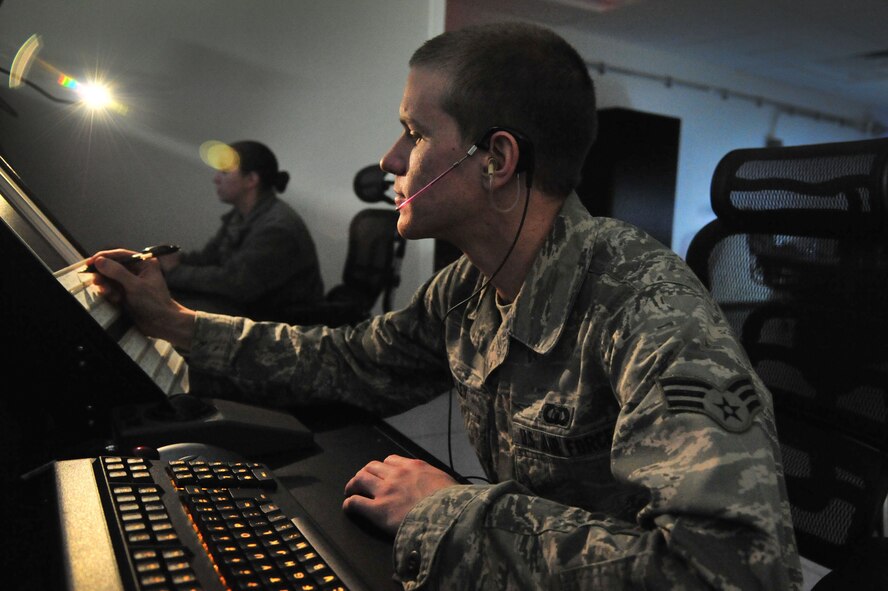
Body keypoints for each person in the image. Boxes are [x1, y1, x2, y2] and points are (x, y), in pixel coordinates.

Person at [89, 22, 802, 590]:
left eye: (417, 132)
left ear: (495, 159)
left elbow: (732, 574)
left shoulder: (648, 310)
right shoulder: (467, 287)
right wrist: (176, 324)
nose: (392, 159)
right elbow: (347, 363)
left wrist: (447, 510)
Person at [160, 140, 324, 320]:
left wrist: (175, 272)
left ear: (251, 180)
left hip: (276, 327)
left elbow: (236, 284)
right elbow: (210, 259)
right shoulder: (241, 215)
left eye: (224, 172)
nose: (216, 179)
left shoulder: (277, 228)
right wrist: (168, 261)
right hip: (250, 311)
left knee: (167, 309)